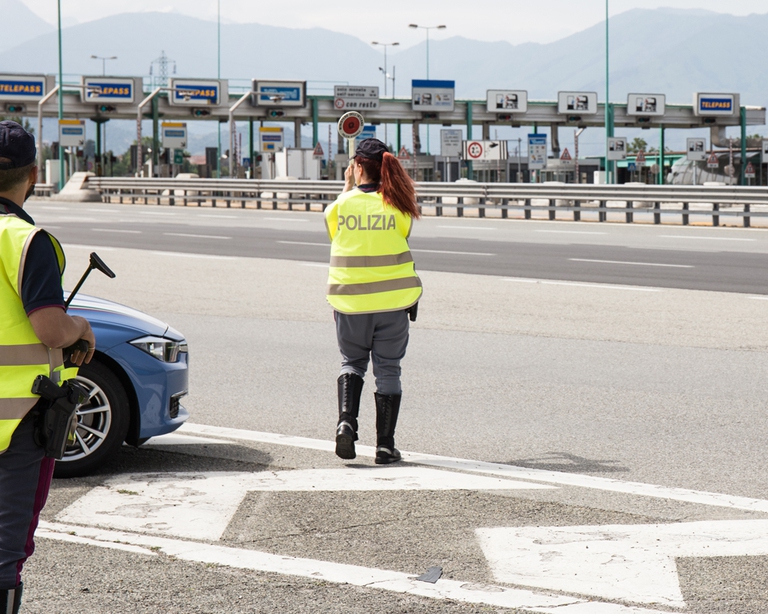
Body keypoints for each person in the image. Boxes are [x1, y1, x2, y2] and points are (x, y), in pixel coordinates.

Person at [0, 121, 95, 613]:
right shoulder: (26, 240)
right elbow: (51, 331)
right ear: (34, 174)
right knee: (4, 553)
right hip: (17, 422)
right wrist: (81, 327)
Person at [325, 138, 422, 465]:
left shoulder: (341, 206)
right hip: (393, 305)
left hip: (350, 305)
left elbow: (334, 230)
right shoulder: (399, 206)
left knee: (352, 364)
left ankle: (346, 423)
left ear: (357, 167)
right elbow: (403, 235)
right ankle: (385, 446)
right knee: (389, 371)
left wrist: (346, 188)